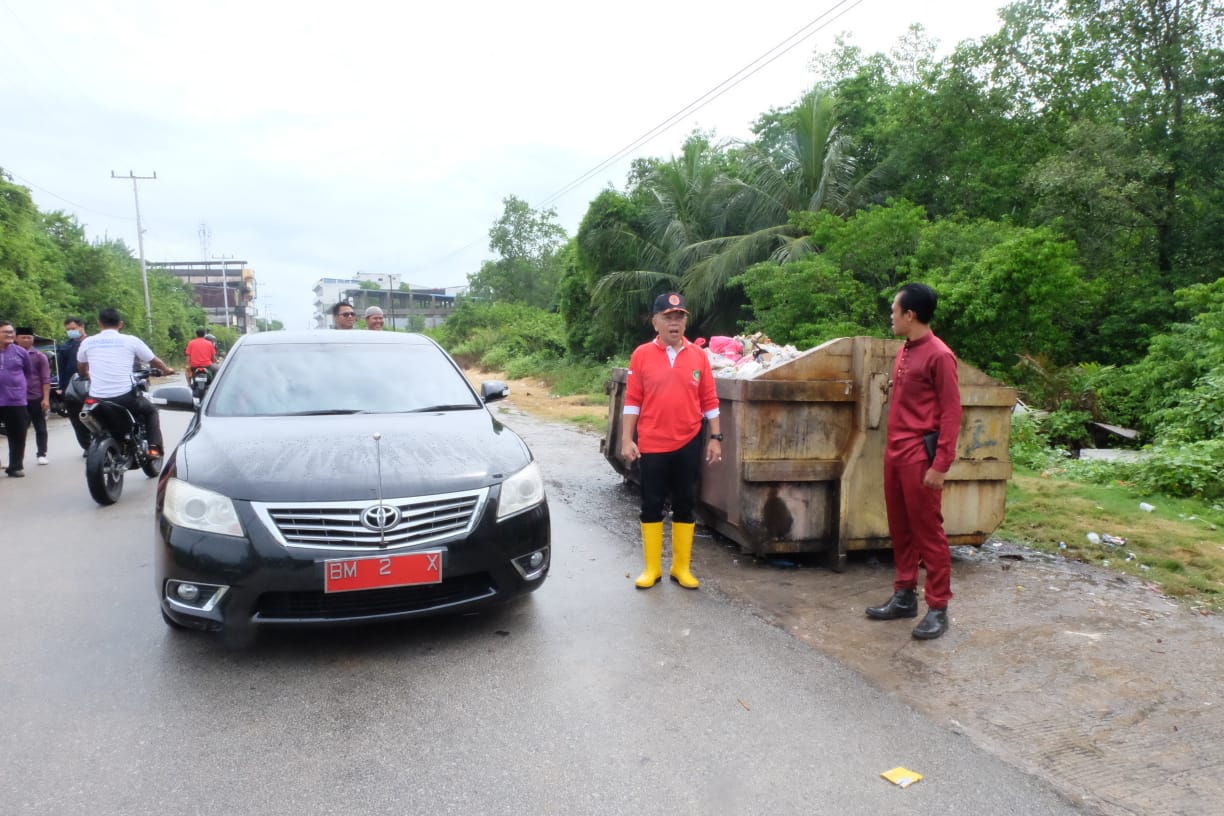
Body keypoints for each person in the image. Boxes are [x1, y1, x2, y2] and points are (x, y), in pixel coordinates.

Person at [866, 282, 963, 640]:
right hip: (895, 453)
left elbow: (952, 414)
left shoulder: (939, 355)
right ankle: (905, 594)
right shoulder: (905, 350)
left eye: (894, 311)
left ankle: (938, 607)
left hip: (920, 457)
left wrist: (940, 464)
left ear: (910, 315)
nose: (891, 317)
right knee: (901, 528)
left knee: (928, 533)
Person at [620, 292, 721, 590]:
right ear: (655, 322)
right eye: (668, 317)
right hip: (652, 443)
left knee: (685, 504)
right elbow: (633, 401)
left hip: (688, 441)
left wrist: (716, 437)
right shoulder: (641, 355)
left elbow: (709, 400)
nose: (675, 323)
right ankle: (652, 568)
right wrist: (627, 439)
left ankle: (681, 568)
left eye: (680, 317)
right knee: (651, 504)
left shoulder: (699, 355)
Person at [76, 308, 176, 458]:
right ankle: (154, 447)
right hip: (124, 397)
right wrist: (166, 369)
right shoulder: (131, 340)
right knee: (151, 411)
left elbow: (81, 366)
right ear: (120, 324)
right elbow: (153, 360)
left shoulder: (88, 342)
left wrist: (86, 374)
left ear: (99, 324)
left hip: (96, 399)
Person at [0, 320, 33, 477]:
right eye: (5, 332)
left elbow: (28, 373)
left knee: (18, 433)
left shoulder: (21, 352)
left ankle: (15, 466)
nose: (10, 334)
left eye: (11, 332)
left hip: (15, 400)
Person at [56, 316, 92, 455]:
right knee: (77, 419)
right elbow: (62, 369)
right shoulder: (65, 347)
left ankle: (99, 443)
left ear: (81, 326)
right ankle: (87, 446)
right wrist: (61, 388)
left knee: (96, 415)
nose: (71, 331)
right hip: (72, 388)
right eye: (68, 330)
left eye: (73, 328)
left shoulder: (93, 343)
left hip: (93, 385)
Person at [14, 328, 51, 465]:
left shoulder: (39, 356)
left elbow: (45, 378)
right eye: (23, 337)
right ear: (16, 338)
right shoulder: (11, 354)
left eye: (29, 337)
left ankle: (41, 453)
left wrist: (46, 398)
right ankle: (17, 458)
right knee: (18, 429)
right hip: (16, 398)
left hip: (35, 396)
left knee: (40, 426)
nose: (26, 340)